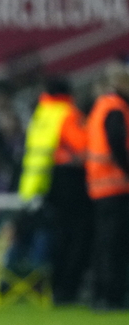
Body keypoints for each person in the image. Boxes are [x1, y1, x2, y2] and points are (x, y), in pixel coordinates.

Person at [18, 77, 91, 305]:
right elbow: (82, 145)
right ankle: (68, 290)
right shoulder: (67, 114)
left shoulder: (41, 114)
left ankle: (56, 288)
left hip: (44, 182)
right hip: (70, 180)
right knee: (77, 238)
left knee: (59, 238)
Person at [84, 63, 129, 310]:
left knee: (103, 243)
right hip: (115, 185)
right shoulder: (116, 108)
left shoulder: (100, 106)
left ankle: (100, 293)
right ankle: (112, 295)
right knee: (115, 245)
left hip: (99, 185)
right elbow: (117, 144)